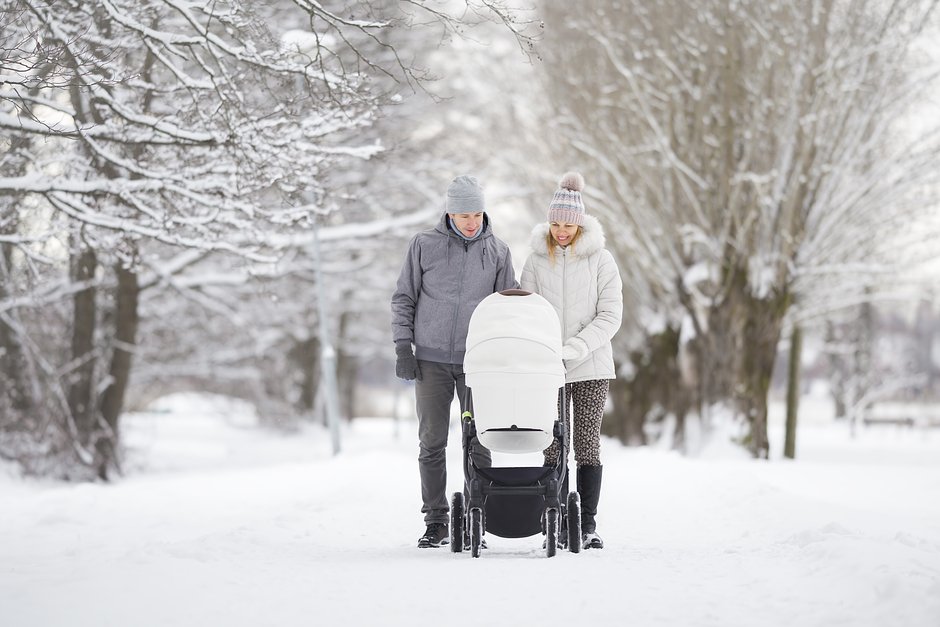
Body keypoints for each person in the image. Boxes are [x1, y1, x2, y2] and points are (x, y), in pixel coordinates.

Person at [391, 175, 519, 548]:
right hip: (430, 362)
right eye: (464, 214)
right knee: (431, 441)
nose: (471, 221)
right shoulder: (423, 245)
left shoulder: (498, 252)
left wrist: (504, 356)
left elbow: (506, 310)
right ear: (449, 211)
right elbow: (404, 298)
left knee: (480, 440)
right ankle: (436, 521)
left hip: (478, 364)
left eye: (477, 213)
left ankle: (477, 515)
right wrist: (403, 347)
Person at [520, 171, 623, 549]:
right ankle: (557, 518)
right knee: (552, 445)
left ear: (581, 225)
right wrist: (544, 350)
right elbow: (526, 312)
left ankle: (588, 524)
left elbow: (611, 315)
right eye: (555, 223)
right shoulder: (534, 260)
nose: (561, 231)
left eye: (568, 224)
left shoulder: (601, 260)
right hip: (549, 369)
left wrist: (578, 346)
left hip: (592, 365)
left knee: (586, 443)